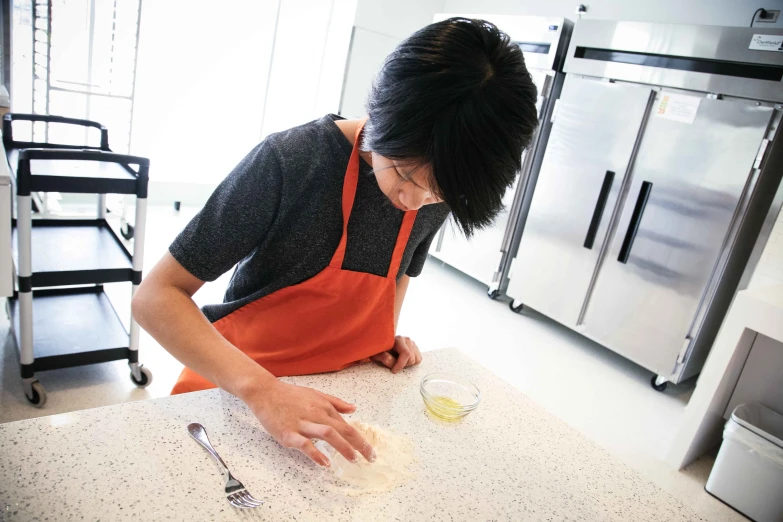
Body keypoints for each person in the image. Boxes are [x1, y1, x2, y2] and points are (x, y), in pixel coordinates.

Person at [132, 17, 539, 468]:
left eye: (439, 192)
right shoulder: (289, 162)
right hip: (235, 393)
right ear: (381, 116)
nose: (414, 202)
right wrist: (262, 390)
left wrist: (379, 336)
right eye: (403, 174)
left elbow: (400, 271)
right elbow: (155, 298)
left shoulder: (442, 185)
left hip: (334, 403)